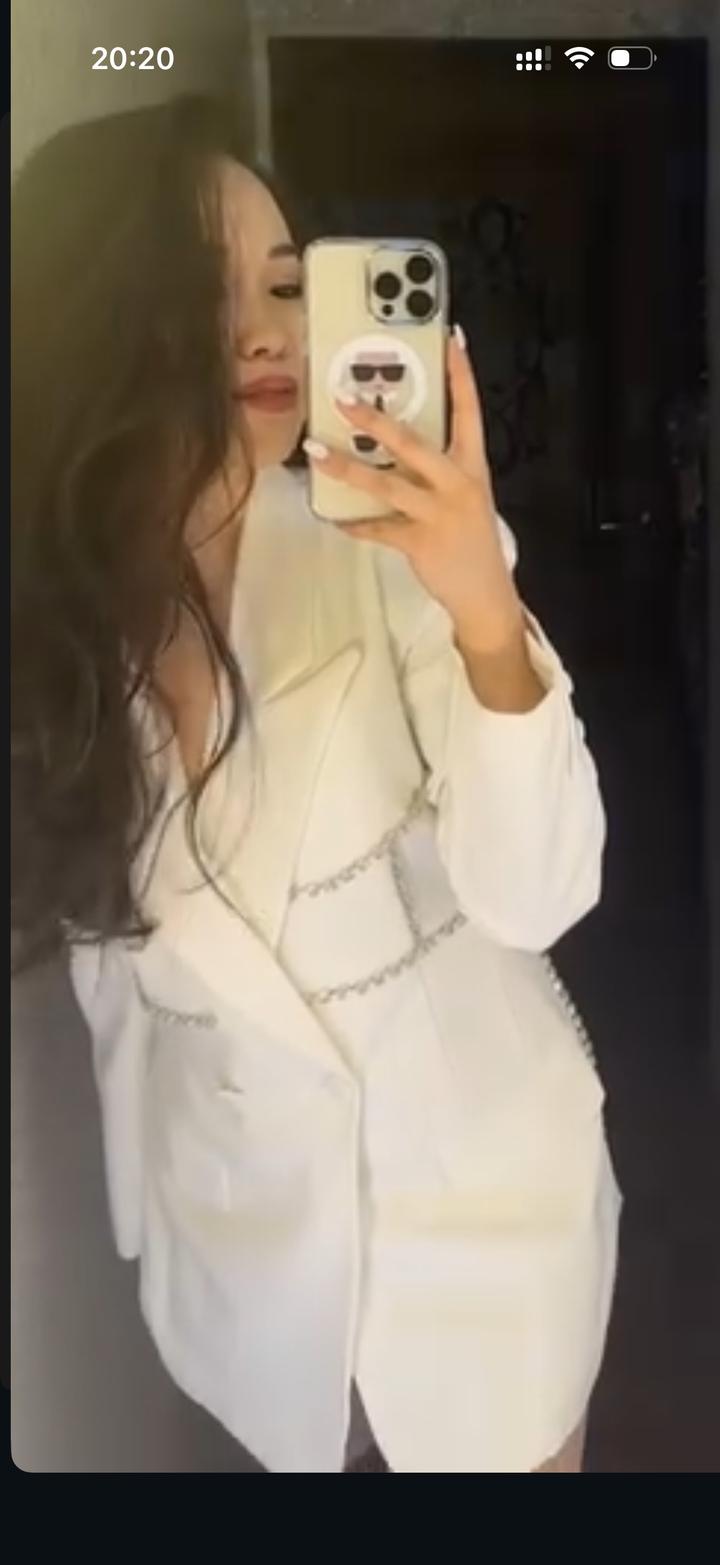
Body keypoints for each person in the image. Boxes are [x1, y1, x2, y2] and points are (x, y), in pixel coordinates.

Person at [11, 94, 622, 1474]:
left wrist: (480, 605)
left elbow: (540, 894)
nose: (271, 330)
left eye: (289, 284)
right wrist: (147, 1225)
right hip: (242, 1258)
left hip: (482, 1232)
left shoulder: (388, 547)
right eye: (207, 288)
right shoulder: (59, 635)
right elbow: (118, 990)